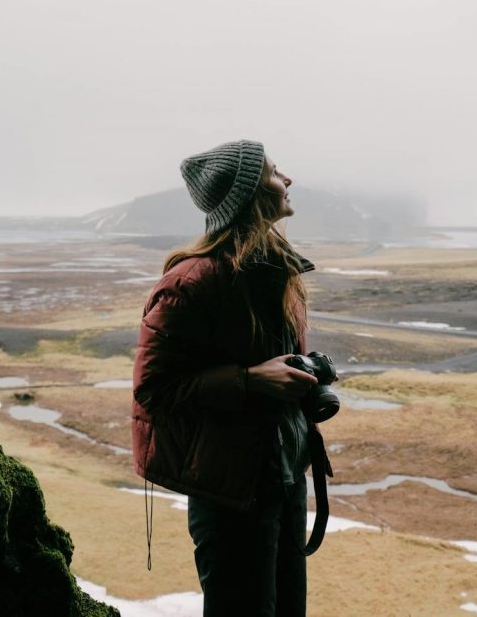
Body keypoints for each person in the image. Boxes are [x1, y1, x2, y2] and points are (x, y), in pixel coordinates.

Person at [131, 139, 324, 616]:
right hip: (229, 493)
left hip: (282, 479)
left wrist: (306, 389)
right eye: (276, 173)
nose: (288, 179)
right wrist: (249, 380)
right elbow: (153, 392)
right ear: (250, 195)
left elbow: (270, 370)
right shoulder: (191, 283)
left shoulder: (275, 272)